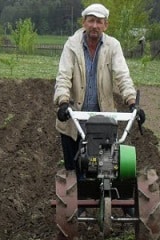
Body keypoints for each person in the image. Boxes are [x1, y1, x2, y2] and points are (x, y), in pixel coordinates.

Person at [53, 3, 145, 174]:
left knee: (104, 171)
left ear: (105, 25)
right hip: (74, 118)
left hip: (103, 120)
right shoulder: (72, 45)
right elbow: (63, 76)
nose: (95, 25)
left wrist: (132, 103)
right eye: (91, 21)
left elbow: (122, 76)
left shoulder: (113, 46)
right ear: (84, 23)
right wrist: (63, 102)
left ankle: (104, 197)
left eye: (99, 22)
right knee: (73, 171)